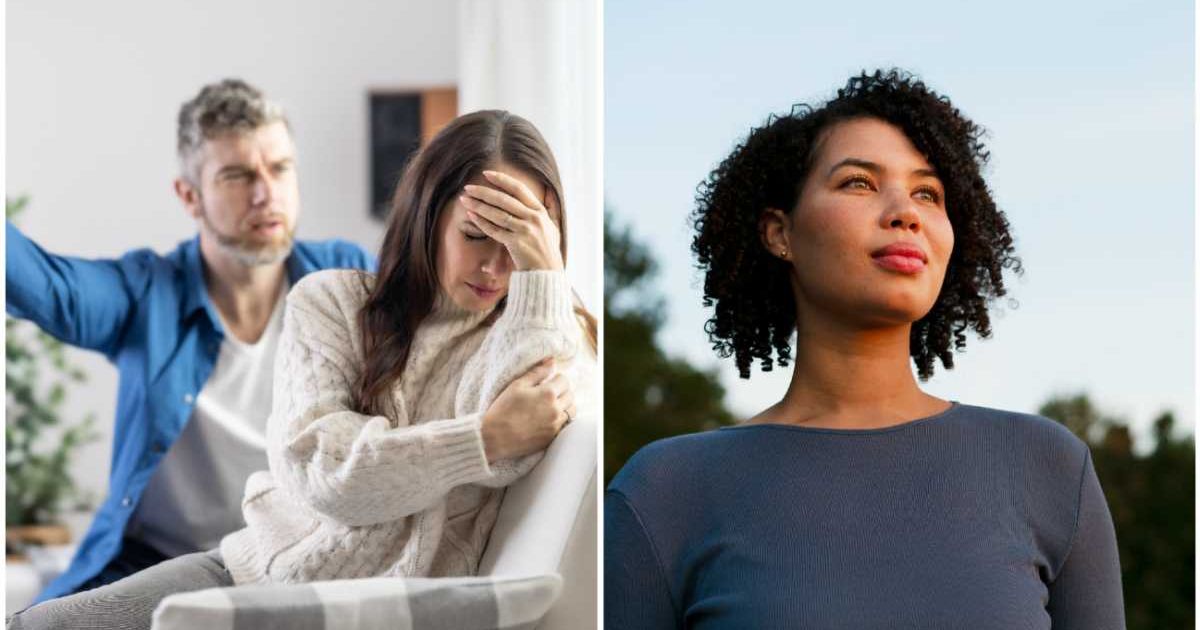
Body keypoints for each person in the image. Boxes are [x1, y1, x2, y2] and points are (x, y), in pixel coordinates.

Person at [9, 109, 597, 630]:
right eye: (476, 235)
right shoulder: (332, 298)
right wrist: (483, 437)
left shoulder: (546, 330)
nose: (497, 266)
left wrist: (543, 275)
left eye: (520, 242)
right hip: (249, 569)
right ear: (427, 217)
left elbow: (526, 445)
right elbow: (326, 472)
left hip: (372, 609)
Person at [604, 70, 1124, 629]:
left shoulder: (1047, 466)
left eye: (928, 193)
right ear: (779, 233)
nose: (906, 212)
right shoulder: (666, 490)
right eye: (859, 182)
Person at [5, 78, 375, 603]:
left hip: (304, 560)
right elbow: (44, 286)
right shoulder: (146, 294)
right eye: (237, 175)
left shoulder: (346, 276)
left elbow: (443, 310)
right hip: (156, 566)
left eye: (280, 168)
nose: (265, 193)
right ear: (189, 196)